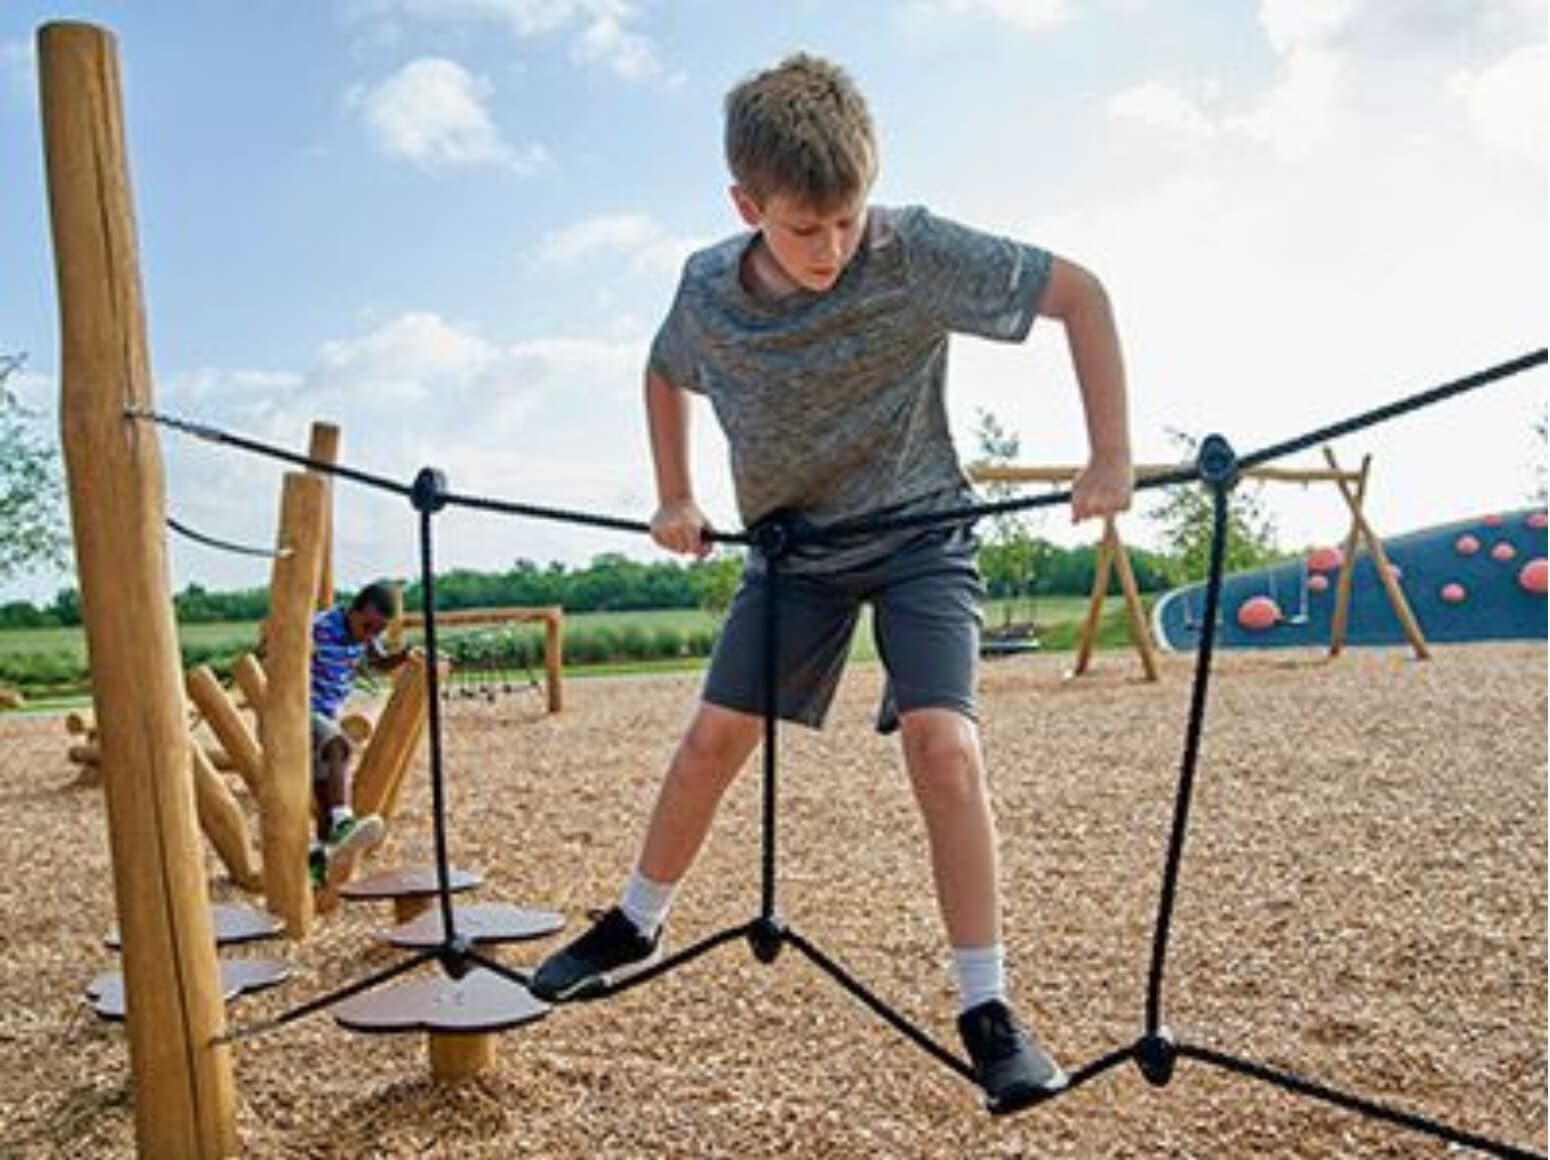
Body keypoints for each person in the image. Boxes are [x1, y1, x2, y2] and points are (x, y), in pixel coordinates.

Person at [531, 53, 1133, 1114]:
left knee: (941, 745)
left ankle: (986, 1007)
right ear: (745, 205)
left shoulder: (912, 250)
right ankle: (634, 917)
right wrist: (673, 492)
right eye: (804, 228)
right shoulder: (706, 287)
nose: (830, 248)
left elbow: (1081, 296)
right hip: (791, 548)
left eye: (846, 220)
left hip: (917, 534)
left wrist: (1109, 455)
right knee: (711, 737)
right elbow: (662, 369)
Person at [307, 581, 410, 889]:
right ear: (353, 610)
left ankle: (317, 871)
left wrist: (404, 655)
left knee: (322, 790)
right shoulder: (318, 627)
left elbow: (378, 663)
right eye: (366, 626)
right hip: (300, 710)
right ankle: (343, 819)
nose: (369, 636)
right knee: (339, 744)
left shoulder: (366, 636)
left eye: (377, 631)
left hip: (326, 714)